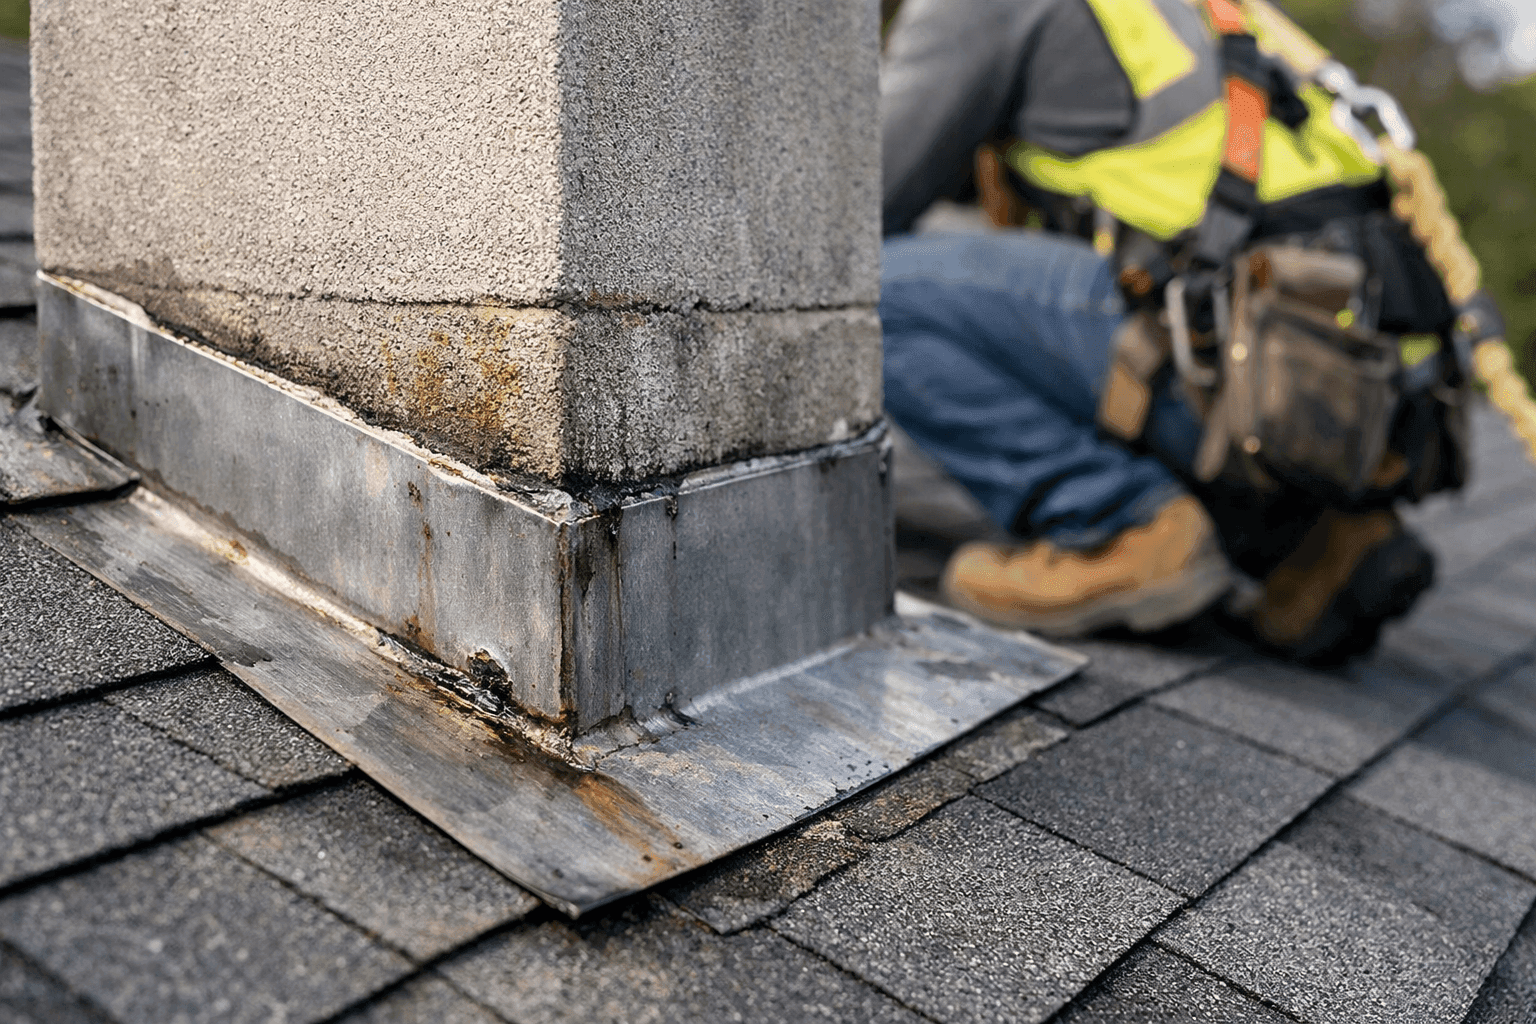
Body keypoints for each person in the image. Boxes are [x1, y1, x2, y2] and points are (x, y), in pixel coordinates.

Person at [879, 0, 1492, 662]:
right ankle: (1311, 538)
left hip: (1249, 365)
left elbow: (862, 198)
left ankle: (1119, 526)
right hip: (1347, 394)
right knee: (1108, 285)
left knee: (875, 293)